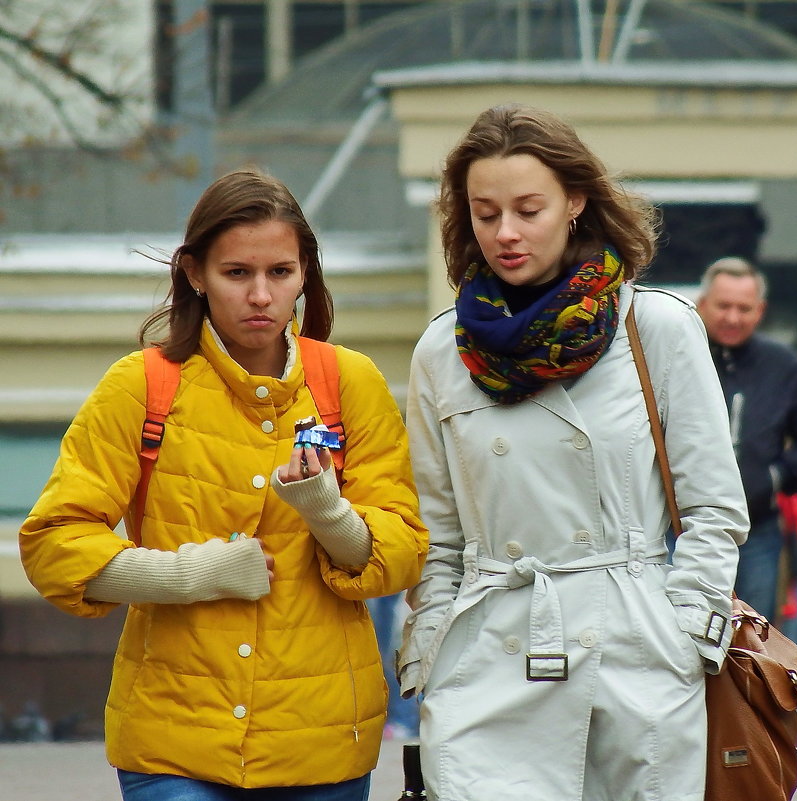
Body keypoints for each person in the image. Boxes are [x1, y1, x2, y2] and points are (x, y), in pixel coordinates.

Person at [19, 169, 428, 800]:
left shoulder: (351, 382)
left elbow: (399, 555)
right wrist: (192, 574)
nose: (261, 295)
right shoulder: (142, 385)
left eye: (281, 273)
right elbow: (53, 546)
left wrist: (326, 510)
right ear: (194, 273)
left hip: (321, 747)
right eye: (237, 273)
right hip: (172, 742)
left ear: (305, 274)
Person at [397, 104, 748, 800]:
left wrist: (686, 636)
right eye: (484, 211)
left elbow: (713, 504)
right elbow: (435, 530)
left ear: (575, 201)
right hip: (487, 659)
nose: (505, 232)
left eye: (527, 208)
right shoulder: (442, 349)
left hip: (633, 654)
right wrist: (430, 653)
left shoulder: (656, 327)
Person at [695, 256, 797, 619]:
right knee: (675, 637)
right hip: (679, 530)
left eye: (744, 308)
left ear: (761, 311)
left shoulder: (784, 366)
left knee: (754, 646)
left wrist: (776, 478)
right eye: (723, 306)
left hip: (756, 532)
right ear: (702, 303)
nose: (733, 317)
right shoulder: (677, 355)